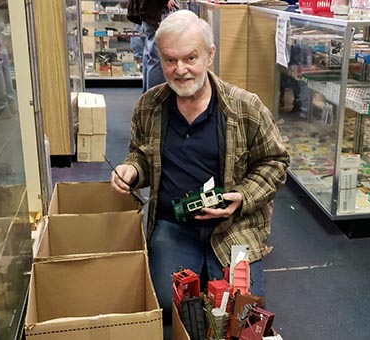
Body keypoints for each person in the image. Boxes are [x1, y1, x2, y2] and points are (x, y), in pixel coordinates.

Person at [110, 10, 289, 337]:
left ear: (210, 54)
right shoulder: (150, 106)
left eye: (190, 58)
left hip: (234, 226)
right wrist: (131, 171)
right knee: (169, 302)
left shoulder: (245, 107)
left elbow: (275, 162)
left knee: (242, 309)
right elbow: (140, 156)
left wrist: (242, 197)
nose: (179, 70)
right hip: (174, 224)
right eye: (169, 60)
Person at [127, 0, 178, 92]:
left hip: (148, 10)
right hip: (155, 9)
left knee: (150, 53)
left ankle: (148, 95)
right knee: (157, 57)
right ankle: (155, 98)